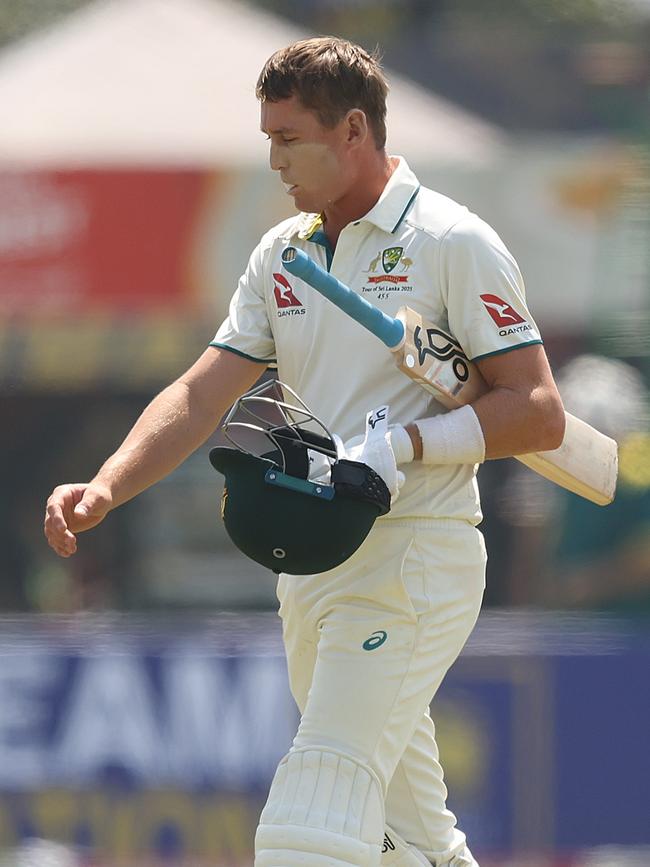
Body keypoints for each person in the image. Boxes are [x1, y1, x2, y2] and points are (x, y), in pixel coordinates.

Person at [44, 37, 565, 867]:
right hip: (315, 565)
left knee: (309, 820)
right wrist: (108, 485)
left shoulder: (451, 240)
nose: (275, 159)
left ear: (353, 129)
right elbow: (198, 395)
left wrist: (407, 442)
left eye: (289, 139)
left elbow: (538, 414)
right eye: (268, 139)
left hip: (414, 557)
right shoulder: (282, 252)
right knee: (411, 841)